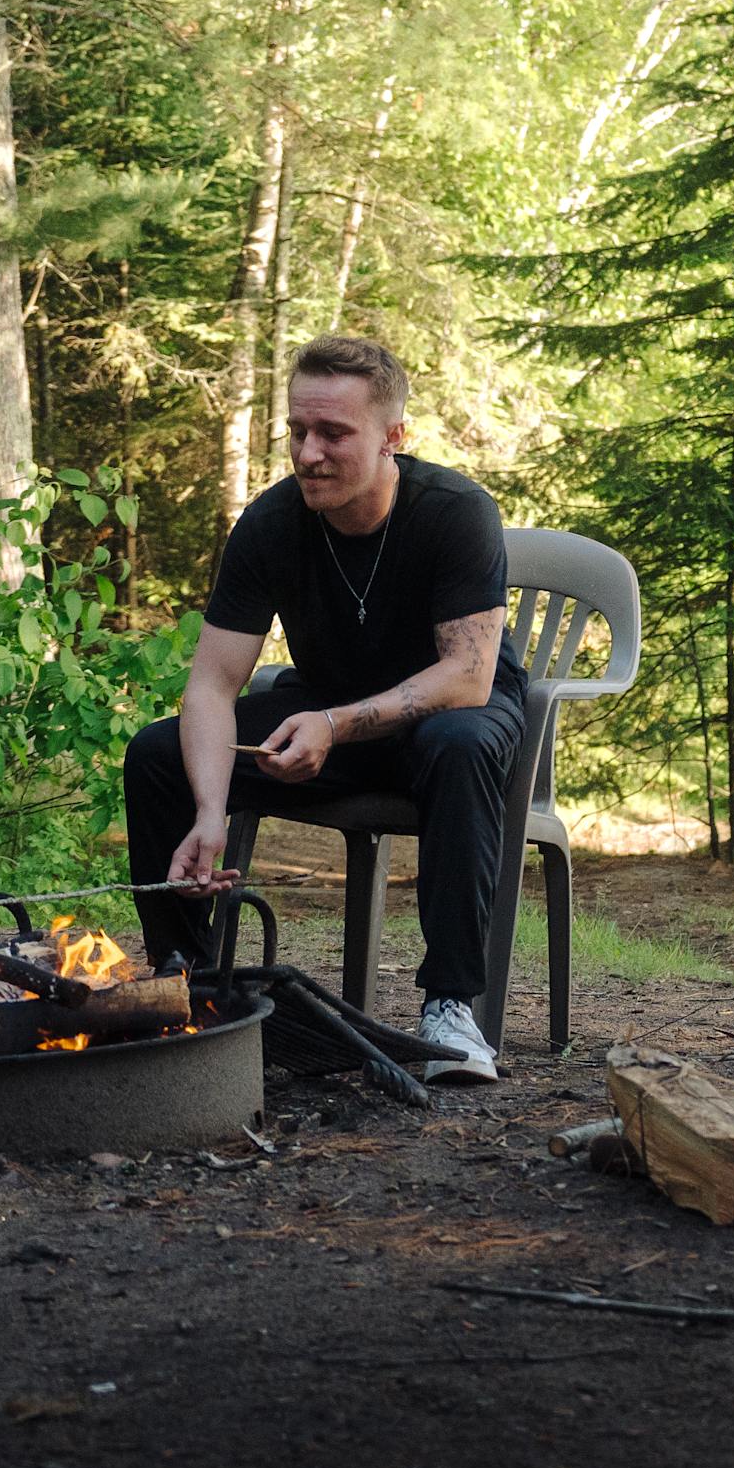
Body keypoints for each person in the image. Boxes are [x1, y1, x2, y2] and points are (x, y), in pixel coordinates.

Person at [120, 334, 526, 1082]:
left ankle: (450, 1010)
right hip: (326, 714)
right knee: (156, 757)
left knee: (461, 743)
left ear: (393, 438)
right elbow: (210, 686)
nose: (309, 454)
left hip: (447, 715)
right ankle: (190, 991)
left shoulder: (456, 511)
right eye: (299, 432)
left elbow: (467, 676)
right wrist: (210, 808)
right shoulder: (273, 522)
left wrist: (335, 725)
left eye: (334, 433)